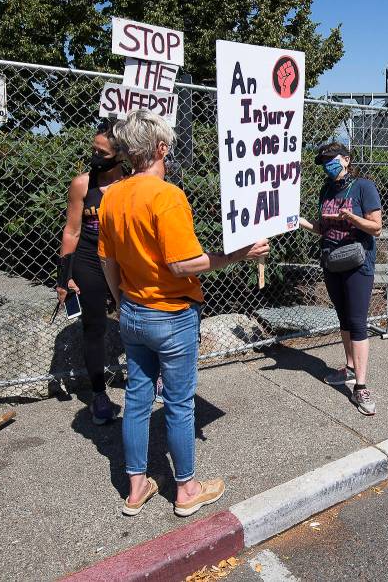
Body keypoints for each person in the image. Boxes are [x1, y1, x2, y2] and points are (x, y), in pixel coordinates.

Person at [97, 109, 269, 517]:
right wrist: (239, 254)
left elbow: (107, 261)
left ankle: (136, 487)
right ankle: (187, 489)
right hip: (171, 314)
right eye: (168, 145)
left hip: (133, 311)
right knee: (178, 402)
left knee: (137, 399)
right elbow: (182, 264)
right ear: (158, 148)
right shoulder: (166, 195)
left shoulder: (111, 197)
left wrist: (120, 302)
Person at [299, 143, 383, 416]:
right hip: (332, 261)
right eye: (323, 161)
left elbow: (377, 227)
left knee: (358, 322)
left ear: (346, 160)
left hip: (358, 263)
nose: (327, 165)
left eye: (331, 159)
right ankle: (348, 368)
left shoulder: (363, 187)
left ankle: (361, 385)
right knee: (344, 318)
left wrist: (352, 217)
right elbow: (323, 229)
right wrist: (298, 221)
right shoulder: (326, 190)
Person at [56, 122, 126, 424]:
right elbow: (72, 230)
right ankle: (99, 396)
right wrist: (63, 277)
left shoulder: (133, 184)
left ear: (122, 155)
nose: (95, 156)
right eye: (93, 149)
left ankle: (152, 381)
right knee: (94, 327)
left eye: (102, 152)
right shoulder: (83, 184)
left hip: (125, 261)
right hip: (88, 260)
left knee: (140, 323)